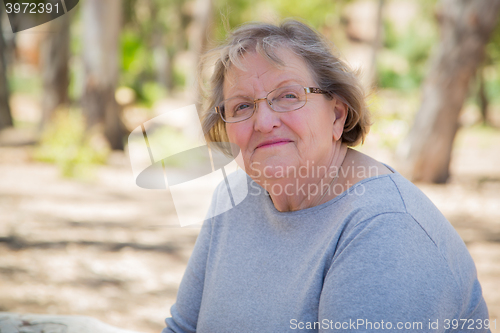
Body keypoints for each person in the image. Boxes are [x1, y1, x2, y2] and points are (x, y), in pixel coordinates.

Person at [162, 19, 491, 332]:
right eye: (242, 107)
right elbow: (183, 328)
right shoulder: (233, 194)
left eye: (288, 96)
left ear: (336, 115)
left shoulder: (385, 227)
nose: (263, 122)